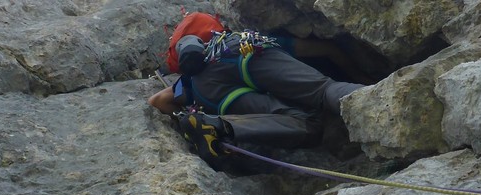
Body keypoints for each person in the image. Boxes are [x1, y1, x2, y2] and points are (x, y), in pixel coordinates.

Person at [148, 12, 368, 166]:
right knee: (323, 91)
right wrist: (360, 76)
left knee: (307, 125)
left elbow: (158, 101)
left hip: (210, 92)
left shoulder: (192, 80)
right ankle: (370, 100)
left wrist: (188, 114)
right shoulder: (234, 39)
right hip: (247, 50)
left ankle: (217, 127)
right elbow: (327, 49)